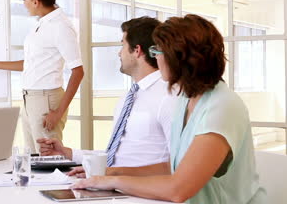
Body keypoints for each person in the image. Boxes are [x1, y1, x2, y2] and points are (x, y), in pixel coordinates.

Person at [71, 14, 266, 204]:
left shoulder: (223, 106)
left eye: (158, 51)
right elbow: (172, 167)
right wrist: (111, 171)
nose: (155, 59)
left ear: (179, 56)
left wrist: (111, 181)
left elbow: (178, 189)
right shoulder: (185, 100)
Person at [38, 17, 177, 177]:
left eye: (122, 45)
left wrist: (111, 176)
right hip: (114, 186)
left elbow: (178, 166)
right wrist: (68, 153)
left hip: (139, 193)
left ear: (137, 50)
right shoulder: (128, 98)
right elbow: (114, 157)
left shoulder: (168, 96)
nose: (119, 53)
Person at [0, 0, 84, 153]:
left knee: (48, 159)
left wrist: (58, 112)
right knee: (34, 159)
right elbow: (32, 63)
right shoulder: (41, 24)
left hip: (46, 100)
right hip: (31, 99)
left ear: (36, 2)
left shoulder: (61, 27)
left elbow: (78, 71)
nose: (23, 3)